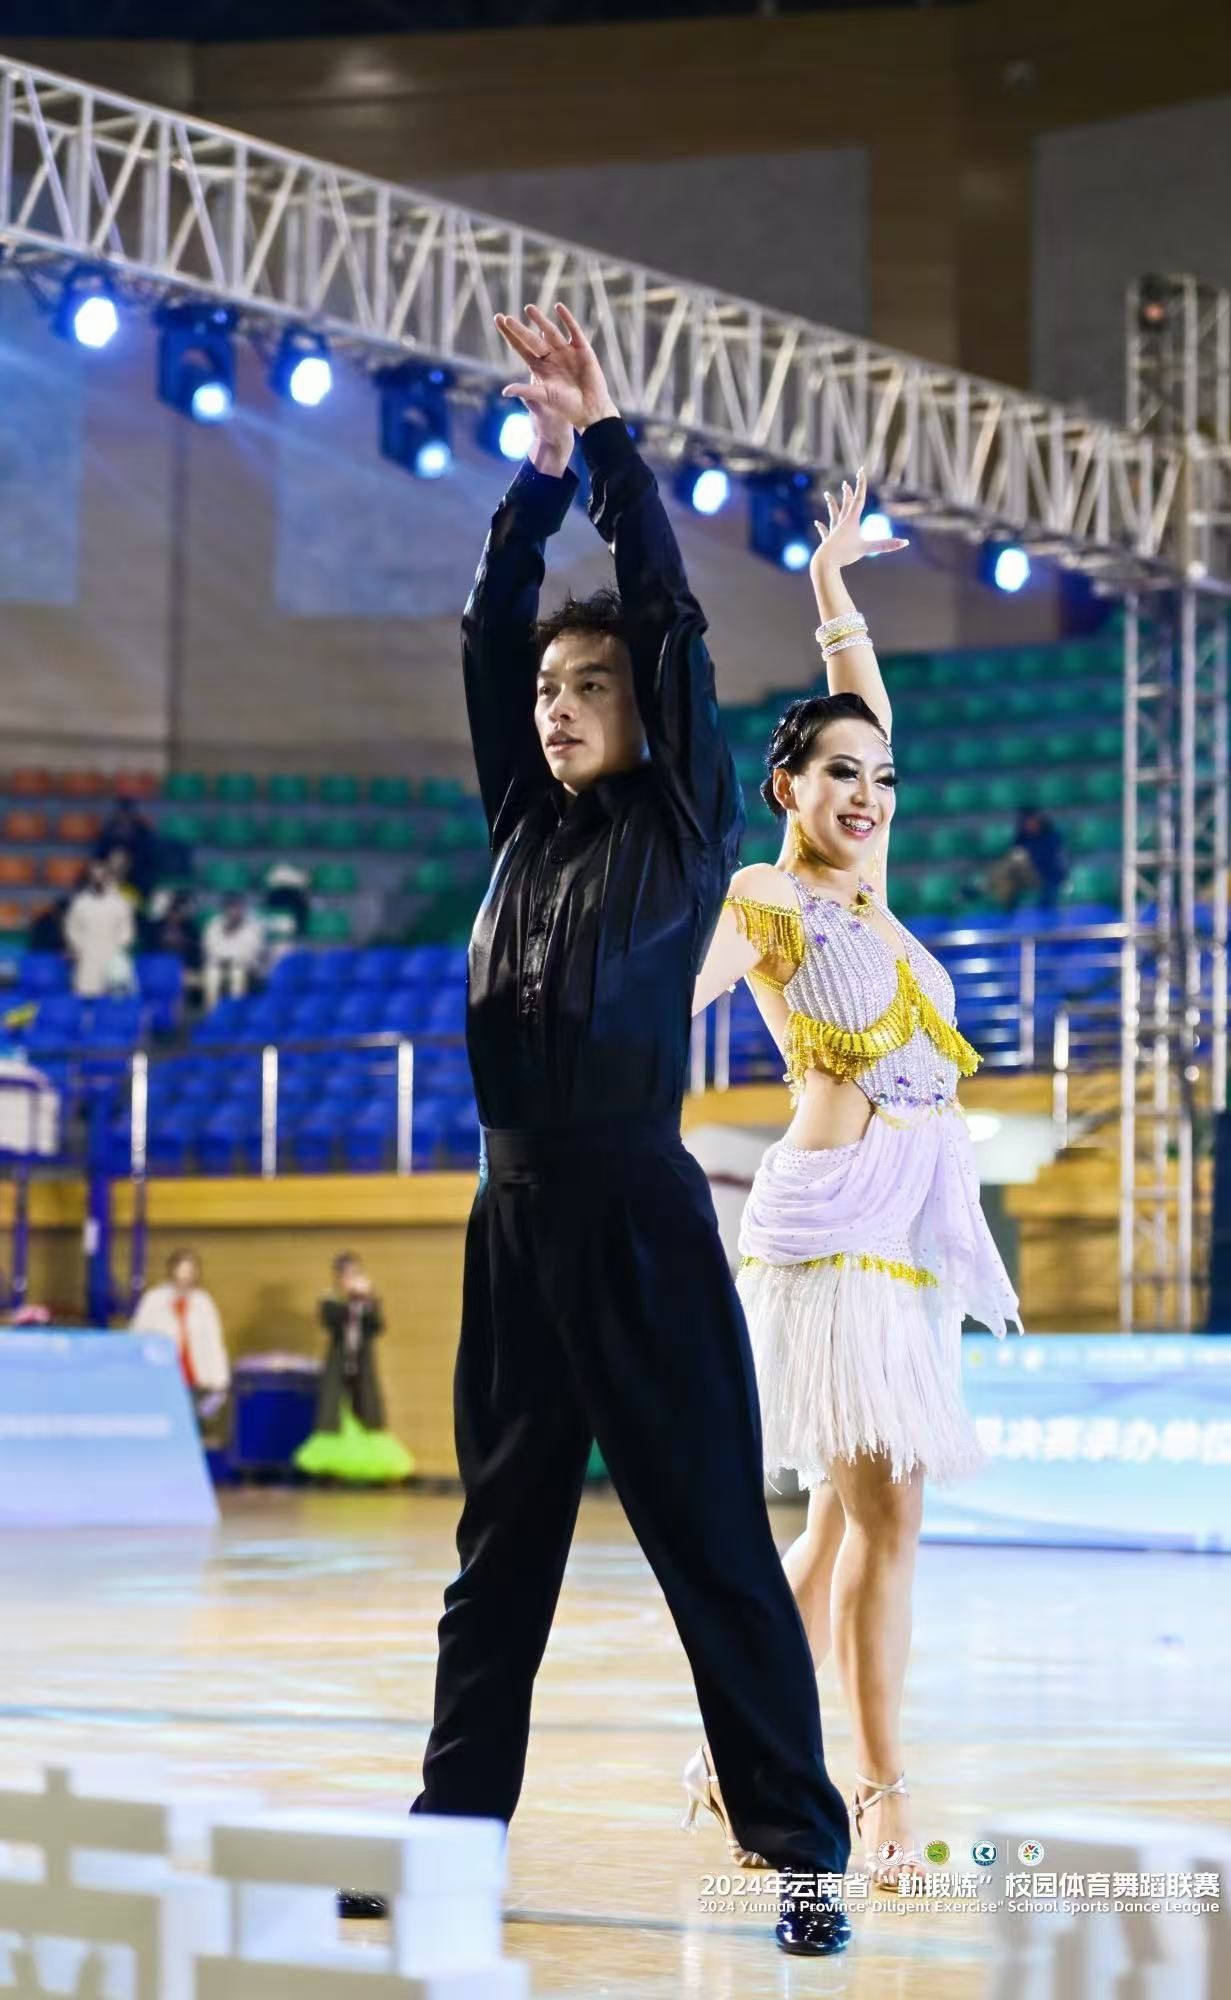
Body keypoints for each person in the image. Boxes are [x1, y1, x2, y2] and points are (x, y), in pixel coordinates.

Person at [404, 303, 851, 1958]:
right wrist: (529, 486)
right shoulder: (521, 830)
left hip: (641, 1222)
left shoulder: (684, 819)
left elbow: (664, 613)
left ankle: (801, 1859)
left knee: (713, 1549)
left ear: (646, 709)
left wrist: (603, 450)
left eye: (588, 686)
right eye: (546, 689)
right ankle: (451, 1853)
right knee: (494, 1564)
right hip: (513, 1222)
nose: (554, 705)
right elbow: (484, 633)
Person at [691, 468, 1022, 1894]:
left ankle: (737, 1751)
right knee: (885, 1514)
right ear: (786, 788)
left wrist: (833, 593)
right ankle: (880, 1806)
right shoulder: (772, 898)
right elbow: (685, 984)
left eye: (881, 779)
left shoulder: (873, 896)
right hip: (831, 1229)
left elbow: (865, 708)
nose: (869, 794)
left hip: (914, 1229)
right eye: (839, 774)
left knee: (841, 1520)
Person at [294, 1253, 414, 1484]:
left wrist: (366, 1300)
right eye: (344, 1274)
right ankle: (331, 1470)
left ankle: (375, 1469)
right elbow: (332, 1322)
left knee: (368, 1412)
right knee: (334, 1414)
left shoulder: (368, 1300)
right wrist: (350, 1300)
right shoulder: (330, 1300)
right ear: (338, 1277)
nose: (349, 1278)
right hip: (339, 1366)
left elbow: (377, 1326)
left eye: (354, 1273)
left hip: (362, 1368)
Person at [129, 1249, 230, 1421]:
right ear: (171, 1271)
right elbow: (136, 1339)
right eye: (181, 1271)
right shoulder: (153, 1300)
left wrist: (221, 1384)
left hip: (196, 1382)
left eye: (190, 1272)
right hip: (161, 1381)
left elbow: (214, 1344)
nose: (185, 1277)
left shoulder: (204, 1302)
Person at [64, 861, 135, 998]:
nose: (98, 880)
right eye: (94, 877)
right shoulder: (80, 903)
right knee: (86, 995)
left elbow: (126, 930)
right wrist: (79, 946)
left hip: (113, 959)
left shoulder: (120, 903)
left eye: (101, 876)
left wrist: (118, 949)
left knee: (114, 997)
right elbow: (72, 928)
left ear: (108, 878)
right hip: (86, 958)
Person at [986, 805, 1066, 911]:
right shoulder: (1021, 838)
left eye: (1033, 821)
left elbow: (1056, 863)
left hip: (1042, 876)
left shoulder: (1051, 838)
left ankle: (983, 889)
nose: (1030, 824)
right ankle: (1002, 905)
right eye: (1027, 821)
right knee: (1005, 875)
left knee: (1016, 859)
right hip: (1021, 876)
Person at [201, 895, 266, 1009]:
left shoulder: (253, 925)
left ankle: (235, 1009)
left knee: (237, 973)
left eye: (239, 908)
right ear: (226, 909)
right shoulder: (215, 924)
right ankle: (212, 1010)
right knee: (212, 973)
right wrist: (221, 957)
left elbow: (254, 950)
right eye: (233, 908)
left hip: (246, 966)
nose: (236, 912)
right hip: (219, 963)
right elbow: (209, 946)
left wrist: (234, 958)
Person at [94, 796, 158, 900]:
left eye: (127, 814)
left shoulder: (143, 833)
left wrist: (129, 863)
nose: (124, 818)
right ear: (117, 815)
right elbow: (99, 859)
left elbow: (149, 859)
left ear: (133, 815)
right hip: (112, 879)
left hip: (138, 879)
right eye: (122, 814)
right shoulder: (108, 833)